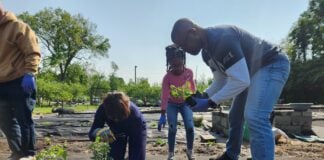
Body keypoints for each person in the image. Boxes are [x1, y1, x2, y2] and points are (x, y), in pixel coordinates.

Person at [171, 18, 290, 160]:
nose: (185, 51)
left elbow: (241, 80)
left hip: (272, 63)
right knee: (236, 115)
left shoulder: (223, 39)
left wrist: (210, 102)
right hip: (250, 73)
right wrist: (203, 95)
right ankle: (231, 155)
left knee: (255, 116)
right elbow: (222, 80)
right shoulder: (206, 53)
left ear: (193, 32)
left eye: (184, 45)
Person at [0, 3, 41, 160]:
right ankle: (17, 152)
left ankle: (29, 154)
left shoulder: (18, 27)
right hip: (1, 83)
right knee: (4, 121)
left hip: (20, 80)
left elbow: (32, 51)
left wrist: (30, 73)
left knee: (24, 118)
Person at [158, 45, 197, 160]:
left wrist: (194, 98)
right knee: (172, 128)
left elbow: (192, 88)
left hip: (185, 103)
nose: (177, 68)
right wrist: (162, 114)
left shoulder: (189, 72)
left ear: (183, 61)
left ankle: (190, 151)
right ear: (169, 64)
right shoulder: (167, 78)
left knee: (190, 127)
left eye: (179, 65)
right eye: (174, 66)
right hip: (172, 104)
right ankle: (171, 153)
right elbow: (165, 96)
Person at [88, 92, 147, 160]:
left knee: (137, 157)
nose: (116, 120)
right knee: (114, 157)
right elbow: (92, 133)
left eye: (118, 118)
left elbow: (137, 145)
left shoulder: (135, 115)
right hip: (116, 132)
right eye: (113, 118)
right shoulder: (103, 108)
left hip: (136, 128)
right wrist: (99, 134)